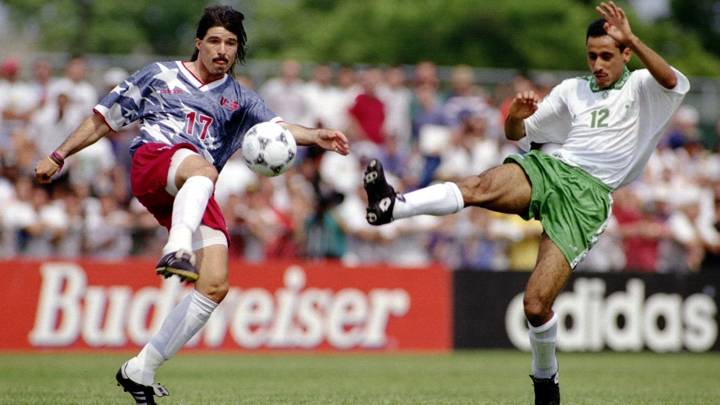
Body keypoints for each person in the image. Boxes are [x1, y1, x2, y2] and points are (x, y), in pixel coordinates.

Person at [362, 2, 689, 404]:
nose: (598, 64)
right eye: (592, 56)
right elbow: (520, 134)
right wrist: (515, 117)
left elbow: (672, 81)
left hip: (587, 200)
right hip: (553, 168)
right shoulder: (573, 90)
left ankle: (545, 383)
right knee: (480, 185)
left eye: (607, 55)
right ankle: (392, 205)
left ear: (625, 54)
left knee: (535, 306)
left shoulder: (643, 88)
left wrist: (634, 38)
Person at [34, 5, 349, 405]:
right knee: (203, 170)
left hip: (193, 189)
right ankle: (177, 248)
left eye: (231, 43)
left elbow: (278, 130)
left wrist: (315, 135)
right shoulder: (159, 75)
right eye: (214, 41)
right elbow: (103, 119)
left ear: (238, 49)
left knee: (215, 285)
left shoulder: (239, 98)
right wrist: (58, 156)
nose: (222, 50)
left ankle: (140, 369)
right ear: (198, 43)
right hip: (154, 162)